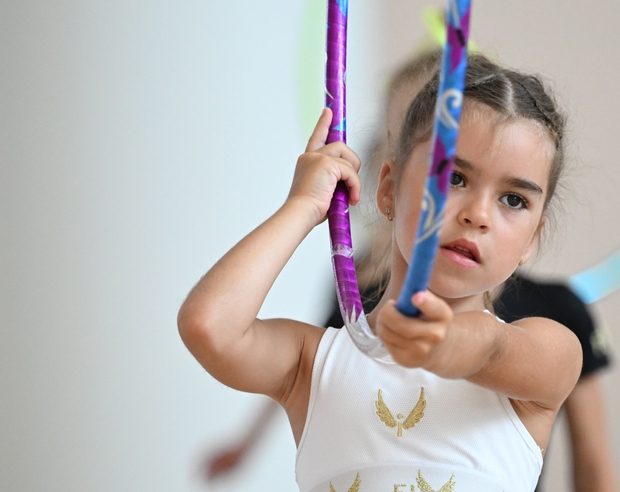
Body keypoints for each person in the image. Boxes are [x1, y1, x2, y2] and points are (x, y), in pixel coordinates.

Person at [179, 53, 582, 492]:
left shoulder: (548, 352)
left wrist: (445, 343)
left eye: (514, 200)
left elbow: (491, 349)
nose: (479, 214)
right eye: (454, 179)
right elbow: (209, 326)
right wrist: (302, 207)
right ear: (388, 189)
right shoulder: (313, 364)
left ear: (531, 240)